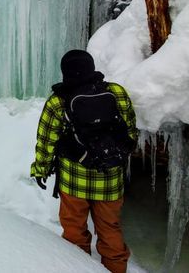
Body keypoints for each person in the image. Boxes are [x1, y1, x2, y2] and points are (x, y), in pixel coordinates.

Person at [30, 49, 137, 273]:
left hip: (73, 182)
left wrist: (40, 168)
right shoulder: (116, 92)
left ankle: (78, 268)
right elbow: (130, 133)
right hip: (110, 181)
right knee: (110, 231)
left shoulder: (58, 101)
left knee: (74, 233)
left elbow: (46, 139)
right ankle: (116, 268)